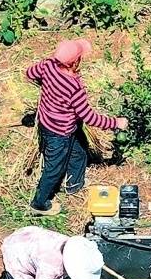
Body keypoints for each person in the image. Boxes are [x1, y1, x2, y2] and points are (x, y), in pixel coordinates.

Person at [25, 39, 130, 215]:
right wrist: (115, 123)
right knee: (54, 169)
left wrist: (47, 86)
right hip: (60, 134)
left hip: (47, 123)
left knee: (79, 153)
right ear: (75, 62)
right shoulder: (74, 87)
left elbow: (30, 73)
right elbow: (89, 117)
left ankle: (74, 184)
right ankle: (39, 203)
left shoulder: (47, 65)